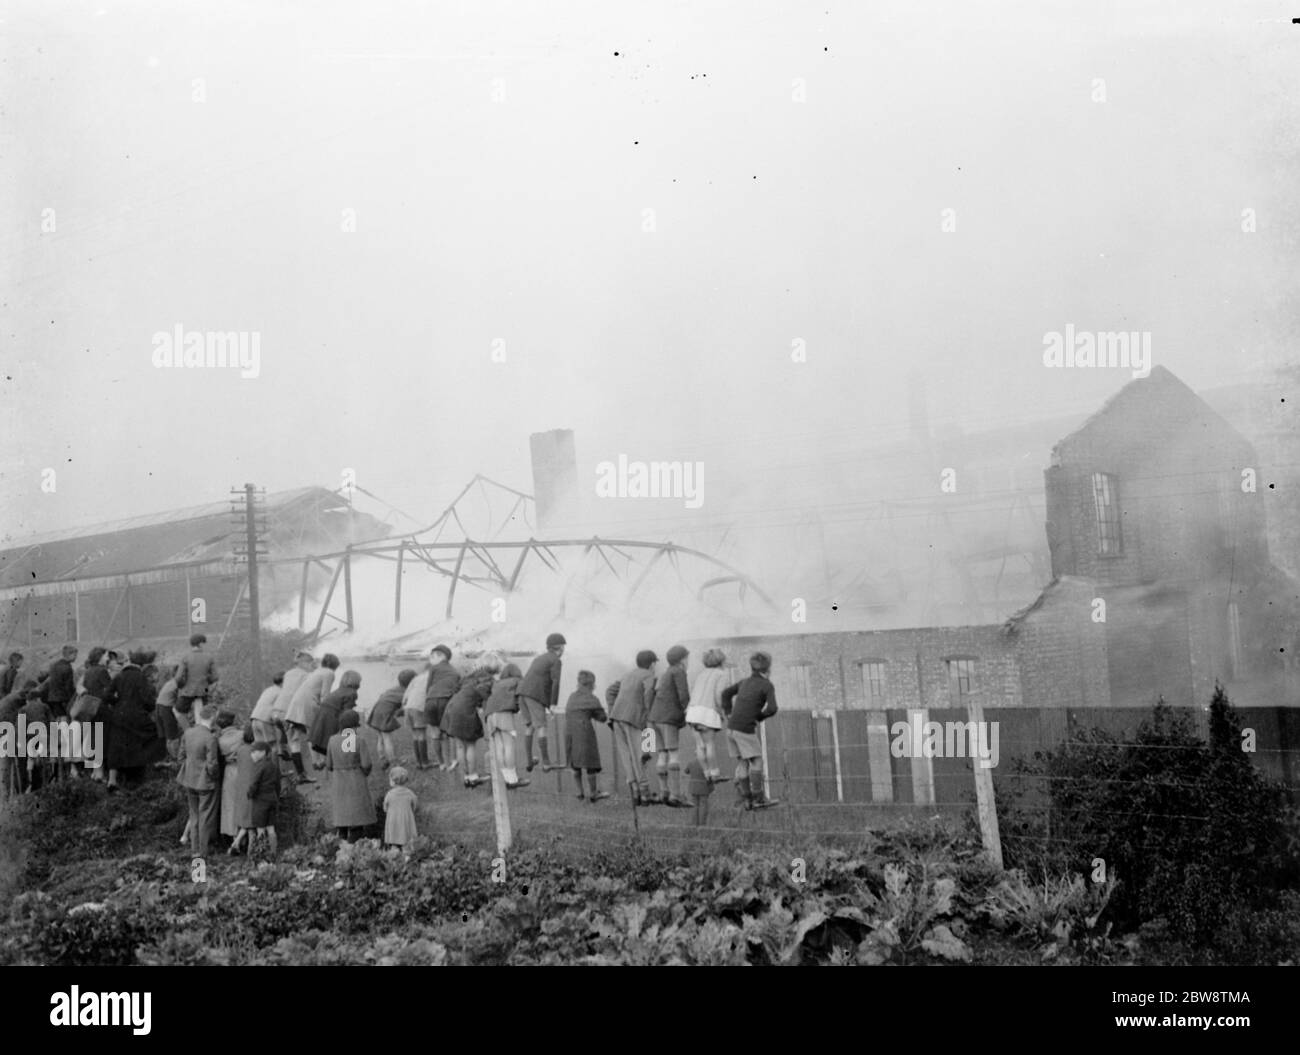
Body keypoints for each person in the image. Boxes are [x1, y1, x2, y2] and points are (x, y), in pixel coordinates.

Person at [719, 651, 780, 810]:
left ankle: (747, 800)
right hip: (745, 729)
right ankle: (759, 798)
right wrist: (758, 717)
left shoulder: (744, 682)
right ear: (768, 669)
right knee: (757, 761)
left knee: (742, 763)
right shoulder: (767, 685)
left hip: (731, 728)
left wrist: (728, 713)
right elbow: (773, 708)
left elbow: (725, 694)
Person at [102, 649, 166, 791]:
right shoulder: (141, 678)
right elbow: (148, 700)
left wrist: (118, 702)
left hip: (119, 715)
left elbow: (106, 695)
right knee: (151, 736)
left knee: (117, 745)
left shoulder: (119, 677)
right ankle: (144, 772)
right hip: (137, 715)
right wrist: (148, 708)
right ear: (141, 665)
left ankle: (113, 780)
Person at [608, 650, 659, 805]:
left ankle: (635, 792)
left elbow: (609, 692)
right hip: (635, 719)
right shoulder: (649, 676)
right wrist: (647, 713)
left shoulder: (627, 675)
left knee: (626, 757)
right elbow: (649, 694)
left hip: (616, 718)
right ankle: (645, 793)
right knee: (641, 756)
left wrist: (613, 709)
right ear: (652, 664)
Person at [647, 644, 692, 808]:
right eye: (687, 658)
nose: (688, 661)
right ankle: (676, 795)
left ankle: (663, 793)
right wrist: (689, 711)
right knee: (673, 754)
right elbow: (683, 695)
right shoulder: (679, 671)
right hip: (668, 717)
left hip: (654, 718)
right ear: (682, 660)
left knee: (662, 754)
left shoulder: (664, 673)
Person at [284, 653, 338, 784]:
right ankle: (322, 761)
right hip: (308, 702)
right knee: (317, 731)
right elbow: (325, 695)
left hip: (297, 702)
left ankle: (316, 761)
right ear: (335, 665)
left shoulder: (318, 671)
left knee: (310, 732)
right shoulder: (329, 673)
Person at [177, 702, 221, 858]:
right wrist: (214, 778)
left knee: (194, 816)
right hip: (205, 783)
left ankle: (194, 850)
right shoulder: (210, 738)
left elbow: (180, 757)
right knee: (205, 818)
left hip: (189, 781)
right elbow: (212, 765)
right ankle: (202, 853)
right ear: (213, 718)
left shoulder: (188, 733)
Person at [519, 632, 566, 773]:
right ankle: (546, 763)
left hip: (522, 692)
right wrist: (553, 704)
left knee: (529, 727)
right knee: (541, 727)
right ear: (560, 648)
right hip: (534, 695)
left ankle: (529, 761)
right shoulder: (556, 660)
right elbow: (555, 682)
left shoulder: (539, 658)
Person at [327, 710, 375, 841]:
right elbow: (366, 764)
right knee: (356, 819)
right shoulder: (359, 740)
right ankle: (353, 851)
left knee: (342, 820)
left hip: (339, 783)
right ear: (354, 725)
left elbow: (329, 765)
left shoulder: (332, 740)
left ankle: (341, 852)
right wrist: (364, 773)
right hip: (355, 781)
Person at [685, 649, 729, 784]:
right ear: (721, 661)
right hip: (708, 712)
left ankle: (706, 773)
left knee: (700, 745)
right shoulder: (721, 674)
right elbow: (718, 695)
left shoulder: (701, 674)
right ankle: (715, 773)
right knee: (709, 744)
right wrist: (722, 712)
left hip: (692, 711)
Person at [565, 670, 610, 801]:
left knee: (575, 762)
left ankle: (579, 793)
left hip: (569, 731)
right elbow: (602, 717)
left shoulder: (572, 696)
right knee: (590, 762)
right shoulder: (591, 698)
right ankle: (594, 793)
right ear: (592, 684)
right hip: (584, 731)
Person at [483, 661, 529, 789]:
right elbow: (521, 698)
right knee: (509, 746)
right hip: (504, 714)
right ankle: (513, 779)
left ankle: (506, 778)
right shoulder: (517, 681)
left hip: (490, 716)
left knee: (499, 747)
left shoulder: (497, 683)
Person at [444, 667, 493, 788]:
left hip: (451, 709)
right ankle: (473, 776)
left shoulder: (466, 682)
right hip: (465, 711)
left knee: (460, 746)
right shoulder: (483, 683)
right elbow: (485, 698)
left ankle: (465, 777)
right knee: (470, 744)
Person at [309, 669, 360, 767]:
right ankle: (346, 759)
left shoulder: (339, 690)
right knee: (347, 731)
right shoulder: (351, 693)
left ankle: (328, 764)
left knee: (326, 744)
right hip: (330, 718)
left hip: (322, 716)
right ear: (356, 681)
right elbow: (347, 715)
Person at [273, 650, 315, 770]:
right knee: (310, 733)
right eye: (310, 664)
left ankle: (287, 760)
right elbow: (308, 695)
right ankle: (316, 763)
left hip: (277, 710)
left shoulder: (288, 674)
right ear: (305, 663)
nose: (311, 667)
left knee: (292, 740)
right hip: (289, 712)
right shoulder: (305, 676)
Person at [424, 645, 460, 771]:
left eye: (433, 656)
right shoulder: (455, 672)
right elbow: (456, 690)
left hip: (431, 701)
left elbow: (428, 687)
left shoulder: (434, 669)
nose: (431, 659)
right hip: (445, 700)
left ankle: (441, 763)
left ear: (441, 656)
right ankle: (453, 760)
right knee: (449, 733)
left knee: (435, 734)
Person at [368, 669, 414, 769]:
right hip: (384, 714)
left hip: (376, 712)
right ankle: (393, 761)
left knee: (380, 738)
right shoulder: (405, 693)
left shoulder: (394, 689)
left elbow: (382, 696)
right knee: (387, 738)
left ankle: (382, 758)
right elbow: (407, 706)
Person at [243, 738, 280, 858]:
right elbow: (277, 784)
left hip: (260, 801)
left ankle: (261, 853)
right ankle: (274, 853)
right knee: (271, 828)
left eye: (254, 752)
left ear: (263, 752)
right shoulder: (273, 766)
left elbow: (254, 783)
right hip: (272, 799)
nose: (252, 755)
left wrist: (250, 794)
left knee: (260, 829)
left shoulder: (259, 766)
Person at [228, 726, 257, 855]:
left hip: (240, 787)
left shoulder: (240, 750)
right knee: (251, 824)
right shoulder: (255, 751)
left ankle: (236, 844)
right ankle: (251, 853)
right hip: (251, 788)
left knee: (245, 820)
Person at [216, 710, 245, 845]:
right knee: (243, 803)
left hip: (229, 771)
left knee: (229, 804)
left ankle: (233, 837)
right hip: (243, 770)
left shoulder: (219, 740)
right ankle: (243, 837)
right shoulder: (242, 735)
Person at [175, 633, 218, 713]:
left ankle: (186, 725)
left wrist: (182, 685)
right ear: (201, 643)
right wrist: (206, 682)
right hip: (204, 691)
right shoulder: (209, 657)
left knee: (178, 712)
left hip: (188, 691)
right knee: (204, 713)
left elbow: (178, 678)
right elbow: (215, 677)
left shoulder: (186, 658)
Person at [402, 661, 433, 770]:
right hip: (418, 707)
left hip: (408, 707)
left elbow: (405, 695)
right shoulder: (431, 678)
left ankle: (419, 762)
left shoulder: (416, 678)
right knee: (422, 735)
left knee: (415, 735)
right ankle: (425, 762)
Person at [383, 766, 419, 850]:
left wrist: (389, 811)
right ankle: (406, 854)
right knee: (407, 842)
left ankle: (394, 853)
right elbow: (415, 804)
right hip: (405, 819)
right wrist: (411, 810)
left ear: (392, 781)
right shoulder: (409, 793)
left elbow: (385, 808)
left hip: (393, 820)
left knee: (394, 842)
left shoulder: (389, 794)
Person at [153, 663, 181, 762]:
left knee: (165, 736)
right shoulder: (179, 683)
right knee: (172, 735)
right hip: (166, 708)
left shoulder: (169, 682)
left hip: (158, 707)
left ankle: (167, 757)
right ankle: (177, 759)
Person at [42, 645, 78, 719]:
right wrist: (74, 699)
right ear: (70, 654)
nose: (76, 657)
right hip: (63, 698)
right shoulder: (67, 667)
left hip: (52, 697)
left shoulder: (55, 665)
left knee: (58, 719)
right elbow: (68, 686)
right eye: (75, 655)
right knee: (65, 719)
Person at [249, 671, 284, 746]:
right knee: (272, 746)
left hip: (254, 719)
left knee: (260, 747)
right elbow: (279, 711)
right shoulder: (281, 692)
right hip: (265, 720)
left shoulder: (268, 690)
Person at [685, 757, 713, 826]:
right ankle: (702, 824)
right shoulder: (707, 763)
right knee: (703, 806)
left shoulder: (691, 762)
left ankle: (694, 824)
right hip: (704, 786)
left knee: (694, 806)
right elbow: (711, 774)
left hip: (693, 787)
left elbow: (686, 771)